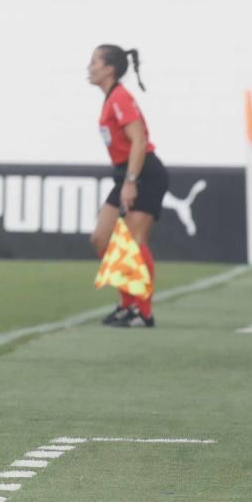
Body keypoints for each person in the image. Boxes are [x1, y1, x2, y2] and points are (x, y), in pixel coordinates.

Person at [87, 45, 170, 328]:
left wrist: (131, 182)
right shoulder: (111, 98)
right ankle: (127, 304)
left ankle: (143, 312)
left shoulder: (120, 97)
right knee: (101, 238)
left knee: (134, 242)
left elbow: (139, 140)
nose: (89, 67)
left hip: (144, 172)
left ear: (109, 68)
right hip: (125, 173)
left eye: (94, 62)